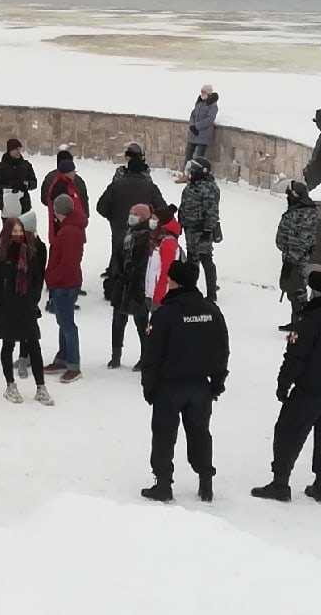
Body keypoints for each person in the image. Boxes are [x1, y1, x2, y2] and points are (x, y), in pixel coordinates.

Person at [251, 269, 321, 503]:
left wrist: (283, 384)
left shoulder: (310, 321)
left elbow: (295, 357)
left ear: (314, 291)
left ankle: (280, 483)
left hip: (310, 387)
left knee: (288, 431)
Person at [139, 258, 229, 503]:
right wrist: (218, 381)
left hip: (169, 388)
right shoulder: (211, 311)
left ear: (176, 283)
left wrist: (149, 386)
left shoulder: (165, 314)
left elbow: (152, 355)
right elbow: (222, 349)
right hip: (200, 386)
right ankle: (206, 482)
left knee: (164, 435)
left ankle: (163, 485)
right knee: (200, 433)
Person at [0, 216, 52, 405]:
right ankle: (10, 385)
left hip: (26, 307)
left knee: (34, 345)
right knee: (8, 345)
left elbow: (37, 279)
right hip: (6, 309)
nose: (19, 234)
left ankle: (41, 387)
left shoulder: (29, 252)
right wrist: (1, 298)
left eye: (20, 231)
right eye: (14, 231)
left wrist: (33, 298)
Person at [95, 142, 166, 277]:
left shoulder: (117, 184)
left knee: (119, 252)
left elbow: (102, 206)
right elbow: (161, 209)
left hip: (120, 226)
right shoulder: (149, 186)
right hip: (142, 228)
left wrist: (114, 217)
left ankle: (115, 280)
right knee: (138, 258)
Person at [104, 204, 155, 369]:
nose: (131, 216)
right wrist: (116, 273)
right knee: (118, 322)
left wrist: (132, 276)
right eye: (130, 213)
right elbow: (117, 255)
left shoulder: (147, 238)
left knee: (141, 323)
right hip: (122, 284)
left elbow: (144, 264)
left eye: (135, 214)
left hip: (137, 286)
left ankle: (145, 356)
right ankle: (116, 355)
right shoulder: (126, 233)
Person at [45, 191, 87, 383]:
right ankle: (63, 358)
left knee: (67, 324)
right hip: (66, 282)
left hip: (65, 284)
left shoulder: (69, 231)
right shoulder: (71, 227)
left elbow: (68, 263)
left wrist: (52, 277)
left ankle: (73, 365)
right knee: (63, 321)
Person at [274, 180, 319, 330]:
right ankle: (297, 321)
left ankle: (301, 324)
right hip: (293, 257)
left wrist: (291, 260)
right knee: (294, 290)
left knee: (297, 290)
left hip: (294, 259)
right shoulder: (303, 210)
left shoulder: (301, 213)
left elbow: (299, 240)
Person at [177, 157, 222, 301]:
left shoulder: (209, 188)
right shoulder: (191, 185)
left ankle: (211, 294)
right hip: (189, 229)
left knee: (206, 259)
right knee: (192, 260)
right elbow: (184, 205)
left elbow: (212, 211)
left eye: (193, 169)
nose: (190, 172)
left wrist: (208, 230)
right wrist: (180, 221)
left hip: (201, 230)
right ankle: (191, 289)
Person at [40, 150, 90, 225]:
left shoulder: (50, 177)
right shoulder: (78, 180)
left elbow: (44, 199)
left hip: (55, 219)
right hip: (75, 220)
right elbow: (84, 201)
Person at [0, 138, 37, 220]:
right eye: (16, 149)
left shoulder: (26, 165)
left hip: (24, 206)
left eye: (19, 149)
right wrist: (10, 188)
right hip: (8, 207)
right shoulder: (1, 167)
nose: (18, 152)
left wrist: (27, 184)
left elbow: (34, 183)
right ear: (9, 150)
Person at [180, 84, 218, 177]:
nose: (202, 93)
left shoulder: (213, 106)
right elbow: (193, 114)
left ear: (208, 93)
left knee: (199, 157)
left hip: (203, 135)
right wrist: (192, 125)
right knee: (188, 154)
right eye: (201, 91)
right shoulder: (199, 103)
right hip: (194, 134)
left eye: (204, 92)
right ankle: (185, 174)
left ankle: (196, 175)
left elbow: (209, 119)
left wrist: (197, 126)